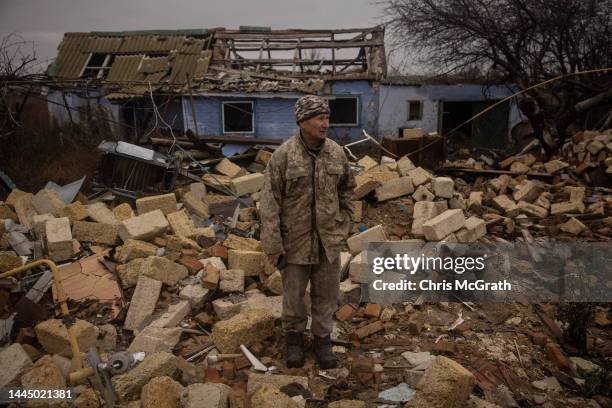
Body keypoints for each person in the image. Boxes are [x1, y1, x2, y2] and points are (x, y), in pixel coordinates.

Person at [260, 95, 356, 369]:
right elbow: (269, 203)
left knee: (326, 297)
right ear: (302, 121)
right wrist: (273, 245)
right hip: (294, 243)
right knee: (294, 299)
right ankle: (294, 342)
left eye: (327, 117)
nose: (326, 123)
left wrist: (345, 224)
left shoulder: (337, 153)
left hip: (328, 242)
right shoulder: (283, 157)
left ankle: (323, 342)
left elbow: (348, 190)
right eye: (319, 118)